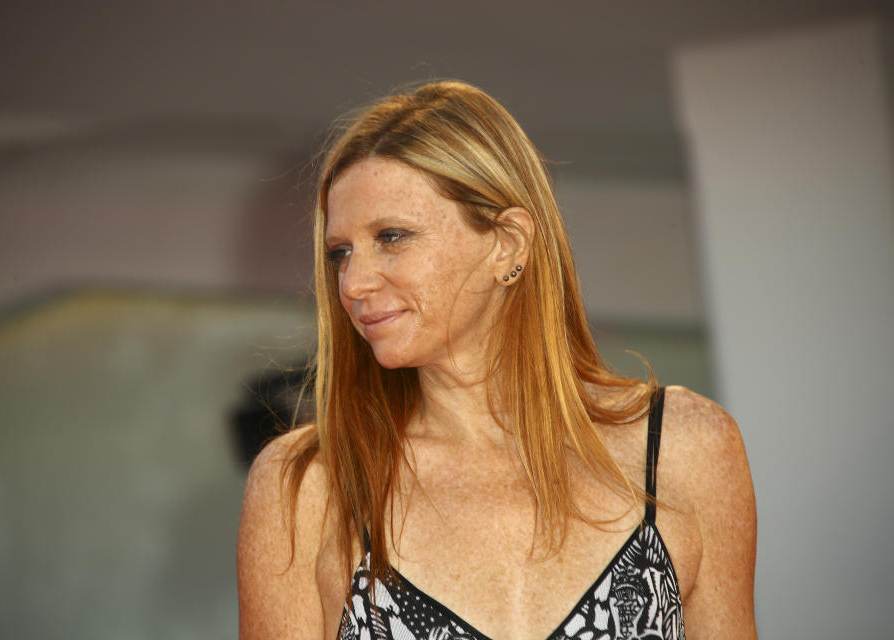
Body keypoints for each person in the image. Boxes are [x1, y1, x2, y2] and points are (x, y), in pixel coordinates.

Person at [237, 80, 756, 640]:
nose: (353, 284)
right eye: (341, 253)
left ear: (507, 243)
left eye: (391, 236)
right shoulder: (307, 485)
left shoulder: (683, 448)